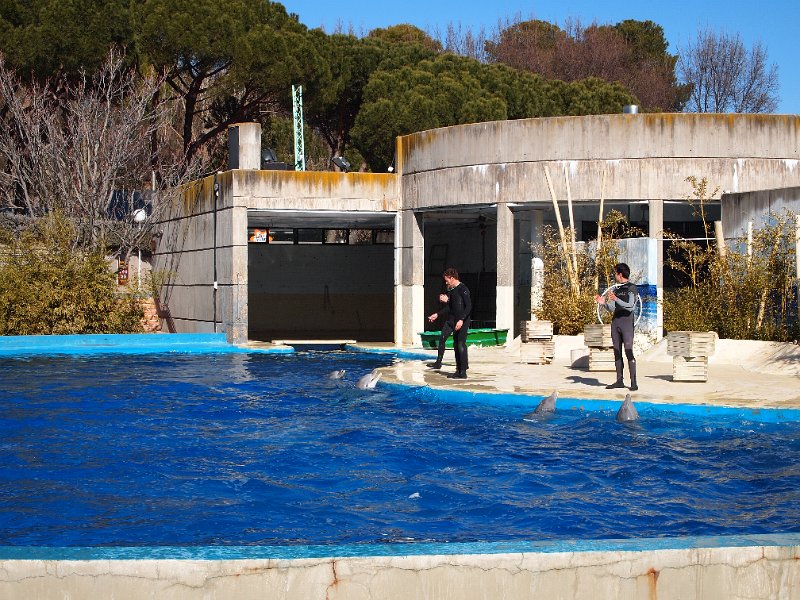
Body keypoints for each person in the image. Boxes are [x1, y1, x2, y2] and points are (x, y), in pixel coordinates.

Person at [595, 263, 638, 391]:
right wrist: (604, 304)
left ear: (620, 274)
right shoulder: (617, 289)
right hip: (616, 323)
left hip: (627, 324)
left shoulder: (632, 288)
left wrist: (616, 299)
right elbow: (613, 308)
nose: (615, 276)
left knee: (628, 351)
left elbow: (631, 306)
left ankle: (633, 382)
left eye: (615, 273)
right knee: (617, 351)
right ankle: (619, 381)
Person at [427, 268, 472, 379]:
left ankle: (463, 372)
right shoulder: (451, 290)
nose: (446, 283)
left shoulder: (463, 289)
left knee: (461, 344)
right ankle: (458, 370)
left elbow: (468, 306)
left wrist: (461, 320)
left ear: (452, 278)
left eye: (447, 280)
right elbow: (451, 308)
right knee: (455, 345)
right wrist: (437, 314)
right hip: (454, 320)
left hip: (462, 321)